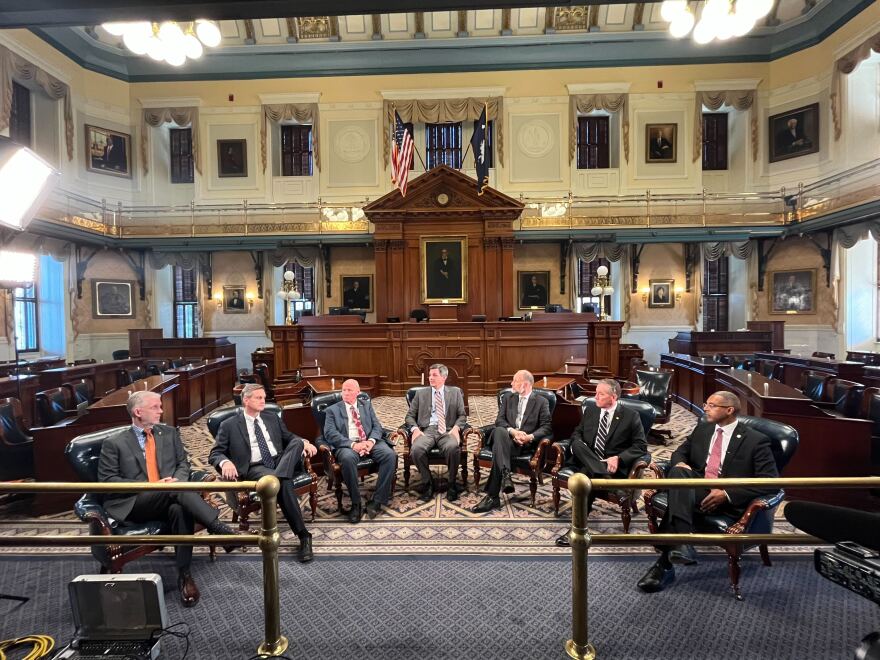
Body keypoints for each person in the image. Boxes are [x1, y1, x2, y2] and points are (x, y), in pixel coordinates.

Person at [98, 391, 239, 607]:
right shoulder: (114, 443)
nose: (161, 411)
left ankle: (185, 574)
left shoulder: (169, 433)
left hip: (169, 495)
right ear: (138, 412)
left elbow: (183, 464)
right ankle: (218, 528)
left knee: (178, 508)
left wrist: (176, 482)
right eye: (155, 407)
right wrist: (152, 487)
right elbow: (108, 481)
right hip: (134, 502)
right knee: (175, 492)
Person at [636, 390, 778, 593]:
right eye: (706, 404)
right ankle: (680, 545)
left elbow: (770, 482)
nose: (705, 408)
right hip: (697, 488)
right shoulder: (703, 429)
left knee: (678, 493)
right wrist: (681, 464)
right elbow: (678, 453)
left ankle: (665, 563)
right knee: (678, 474)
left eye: (712, 405)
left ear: (729, 410)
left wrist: (726, 493)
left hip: (726, 500)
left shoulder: (756, 440)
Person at [209, 383, 318, 563]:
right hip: (255, 466)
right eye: (259, 397)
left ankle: (278, 478)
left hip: (279, 460)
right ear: (246, 400)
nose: (263, 401)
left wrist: (305, 442)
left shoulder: (271, 417)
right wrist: (225, 461)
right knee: (284, 483)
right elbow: (215, 453)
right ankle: (304, 535)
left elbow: (290, 438)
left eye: (264, 397)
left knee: (298, 442)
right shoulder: (229, 425)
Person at [555, 379, 647, 546]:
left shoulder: (631, 416)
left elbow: (641, 446)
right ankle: (611, 484)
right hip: (589, 459)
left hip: (611, 466)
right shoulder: (591, 410)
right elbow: (577, 434)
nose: (595, 396)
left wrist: (618, 458)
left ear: (613, 397)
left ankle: (575, 529)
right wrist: (582, 447)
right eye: (596, 392)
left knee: (585, 479)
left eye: (600, 394)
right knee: (576, 443)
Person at [471, 370, 552, 513]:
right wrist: (513, 432)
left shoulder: (541, 402)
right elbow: (499, 420)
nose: (511, 383)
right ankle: (504, 475)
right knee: (499, 430)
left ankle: (494, 495)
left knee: (498, 449)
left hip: (523, 445)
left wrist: (529, 437)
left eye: (515, 381)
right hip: (506, 438)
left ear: (525, 384)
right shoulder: (508, 398)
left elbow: (546, 427)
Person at [323, 379, 398, 522]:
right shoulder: (332, 410)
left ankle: (377, 501)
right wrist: (352, 445)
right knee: (347, 459)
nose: (345, 393)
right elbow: (330, 433)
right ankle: (356, 504)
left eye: (349, 390)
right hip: (347, 445)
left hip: (369, 441)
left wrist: (371, 441)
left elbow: (377, 426)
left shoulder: (366, 405)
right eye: (344, 390)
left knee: (390, 455)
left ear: (358, 392)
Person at [404, 363, 467, 502]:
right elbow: (409, 416)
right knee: (416, 450)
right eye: (429, 375)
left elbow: (462, 415)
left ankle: (451, 484)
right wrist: (414, 429)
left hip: (448, 429)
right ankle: (428, 483)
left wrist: (456, 428)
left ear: (444, 377)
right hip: (427, 430)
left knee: (453, 448)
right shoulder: (421, 394)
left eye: (434, 375)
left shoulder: (455, 392)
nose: (430, 378)